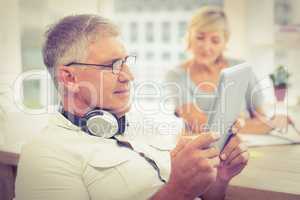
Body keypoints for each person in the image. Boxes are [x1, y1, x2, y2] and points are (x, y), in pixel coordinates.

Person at [15, 14, 249, 200]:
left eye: (126, 62)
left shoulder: (146, 121)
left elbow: (205, 196)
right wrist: (178, 191)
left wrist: (219, 179)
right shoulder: (44, 155)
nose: (129, 76)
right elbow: (182, 192)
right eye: (113, 65)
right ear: (69, 78)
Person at [166, 6, 288, 135]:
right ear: (189, 37)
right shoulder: (176, 75)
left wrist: (266, 124)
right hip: (205, 151)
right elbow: (199, 126)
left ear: (225, 42)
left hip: (249, 145)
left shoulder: (241, 68)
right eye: (200, 37)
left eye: (215, 40)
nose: (206, 47)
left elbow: (261, 118)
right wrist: (263, 124)